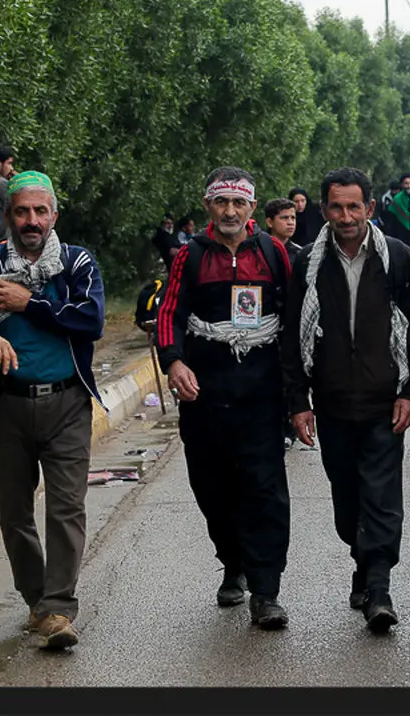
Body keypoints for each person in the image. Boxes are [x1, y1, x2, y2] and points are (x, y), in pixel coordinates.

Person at [0, 170, 106, 650]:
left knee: (67, 507)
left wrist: (28, 303)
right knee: (13, 511)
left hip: (67, 404)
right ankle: (37, 601)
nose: (31, 221)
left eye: (40, 211)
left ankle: (59, 608)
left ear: (54, 215)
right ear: (9, 216)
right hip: (7, 408)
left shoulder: (76, 263)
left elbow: (89, 319)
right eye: (22, 211)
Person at [283, 167, 410, 633]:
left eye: (354, 207)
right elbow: (290, 337)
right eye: (337, 207)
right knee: (348, 500)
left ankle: (379, 588)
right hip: (332, 401)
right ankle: (362, 562)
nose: (346, 216)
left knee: (382, 497)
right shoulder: (306, 264)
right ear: (324, 210)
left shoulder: (398, 259)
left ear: (370, 209)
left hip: (385, 401)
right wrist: (298, 401)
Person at [157, 167, 293, 630]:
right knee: (212, 488)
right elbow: (169, 311)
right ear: (208, 206)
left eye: (239, 203)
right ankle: (231, 561)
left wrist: (297, 393)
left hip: (261, 393)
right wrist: (174, 362)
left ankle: (266, 589)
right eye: (221, 203)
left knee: (265, 489)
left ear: (253, 208)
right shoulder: (189, 257)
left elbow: (293, 319)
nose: (230, 211)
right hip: (206, 395)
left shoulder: (274, 253)